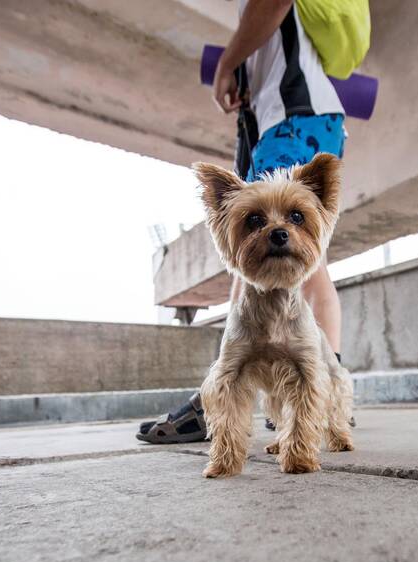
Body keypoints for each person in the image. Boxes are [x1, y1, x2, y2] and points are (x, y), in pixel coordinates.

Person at [138, 0, 347, 444]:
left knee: (276, 244)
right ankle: (321, 395)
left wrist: (227, 64)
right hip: (289, 116)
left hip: (293, 114)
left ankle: (236, 394)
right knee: (291, 251)